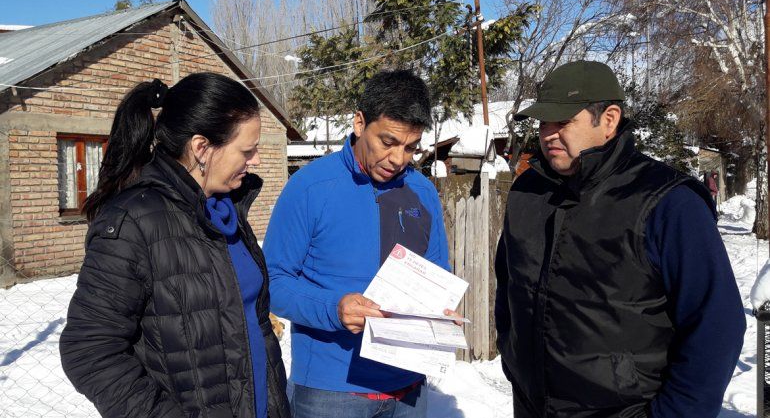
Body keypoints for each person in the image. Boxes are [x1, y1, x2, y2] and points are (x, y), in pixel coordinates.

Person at [494, 60, 745, 418]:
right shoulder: (527, 191)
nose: (548, 134)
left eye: (562, 122)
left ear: (609, 119)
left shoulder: (668, 202)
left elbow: (716, 325)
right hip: (532, 407)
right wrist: (513, 355)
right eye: (543, 122)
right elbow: (510, 285)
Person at [59, 73, 290, 418]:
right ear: (201, 148)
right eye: (247, 150)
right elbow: (89, 349)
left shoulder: (227, 210)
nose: (255, 160)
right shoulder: (135, 220)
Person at [263, 70, 449, 418]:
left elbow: (437, 275)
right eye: (388, 142)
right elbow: (271, 282)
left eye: (411, 147)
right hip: (330, 392)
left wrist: (441, 311)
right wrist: (334, 308)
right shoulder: (310, 187)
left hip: (409, 390)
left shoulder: (423, 192)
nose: (399, 159)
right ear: (360, 123)